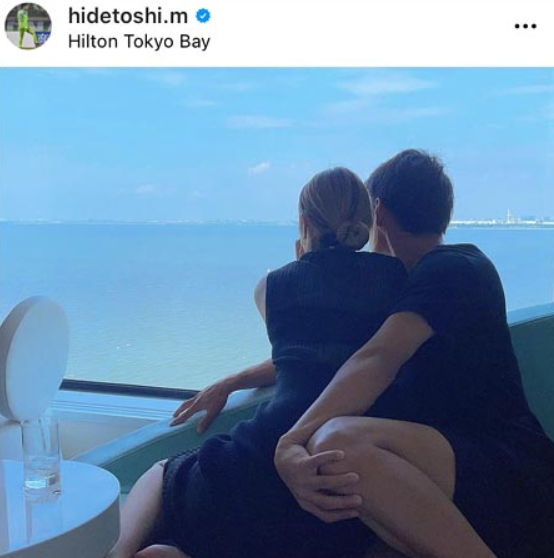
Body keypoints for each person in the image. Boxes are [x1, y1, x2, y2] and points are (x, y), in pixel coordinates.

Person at [107, 167, 407, 558]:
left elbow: (299, 355)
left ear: (304, 223)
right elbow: (336, 356)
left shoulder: (272, 286)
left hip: (264, 461)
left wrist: (230, 382)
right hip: (342, 480)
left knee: (163, 471)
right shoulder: (398, 281)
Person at [274, 149, 554, 558]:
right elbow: (328, 355)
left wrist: (290, 441)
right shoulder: (412, 290)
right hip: (457, 468)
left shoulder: (453, 267)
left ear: (379, 212)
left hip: (508, 470)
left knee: (337, 444)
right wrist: (234, 381)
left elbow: (377, 359)